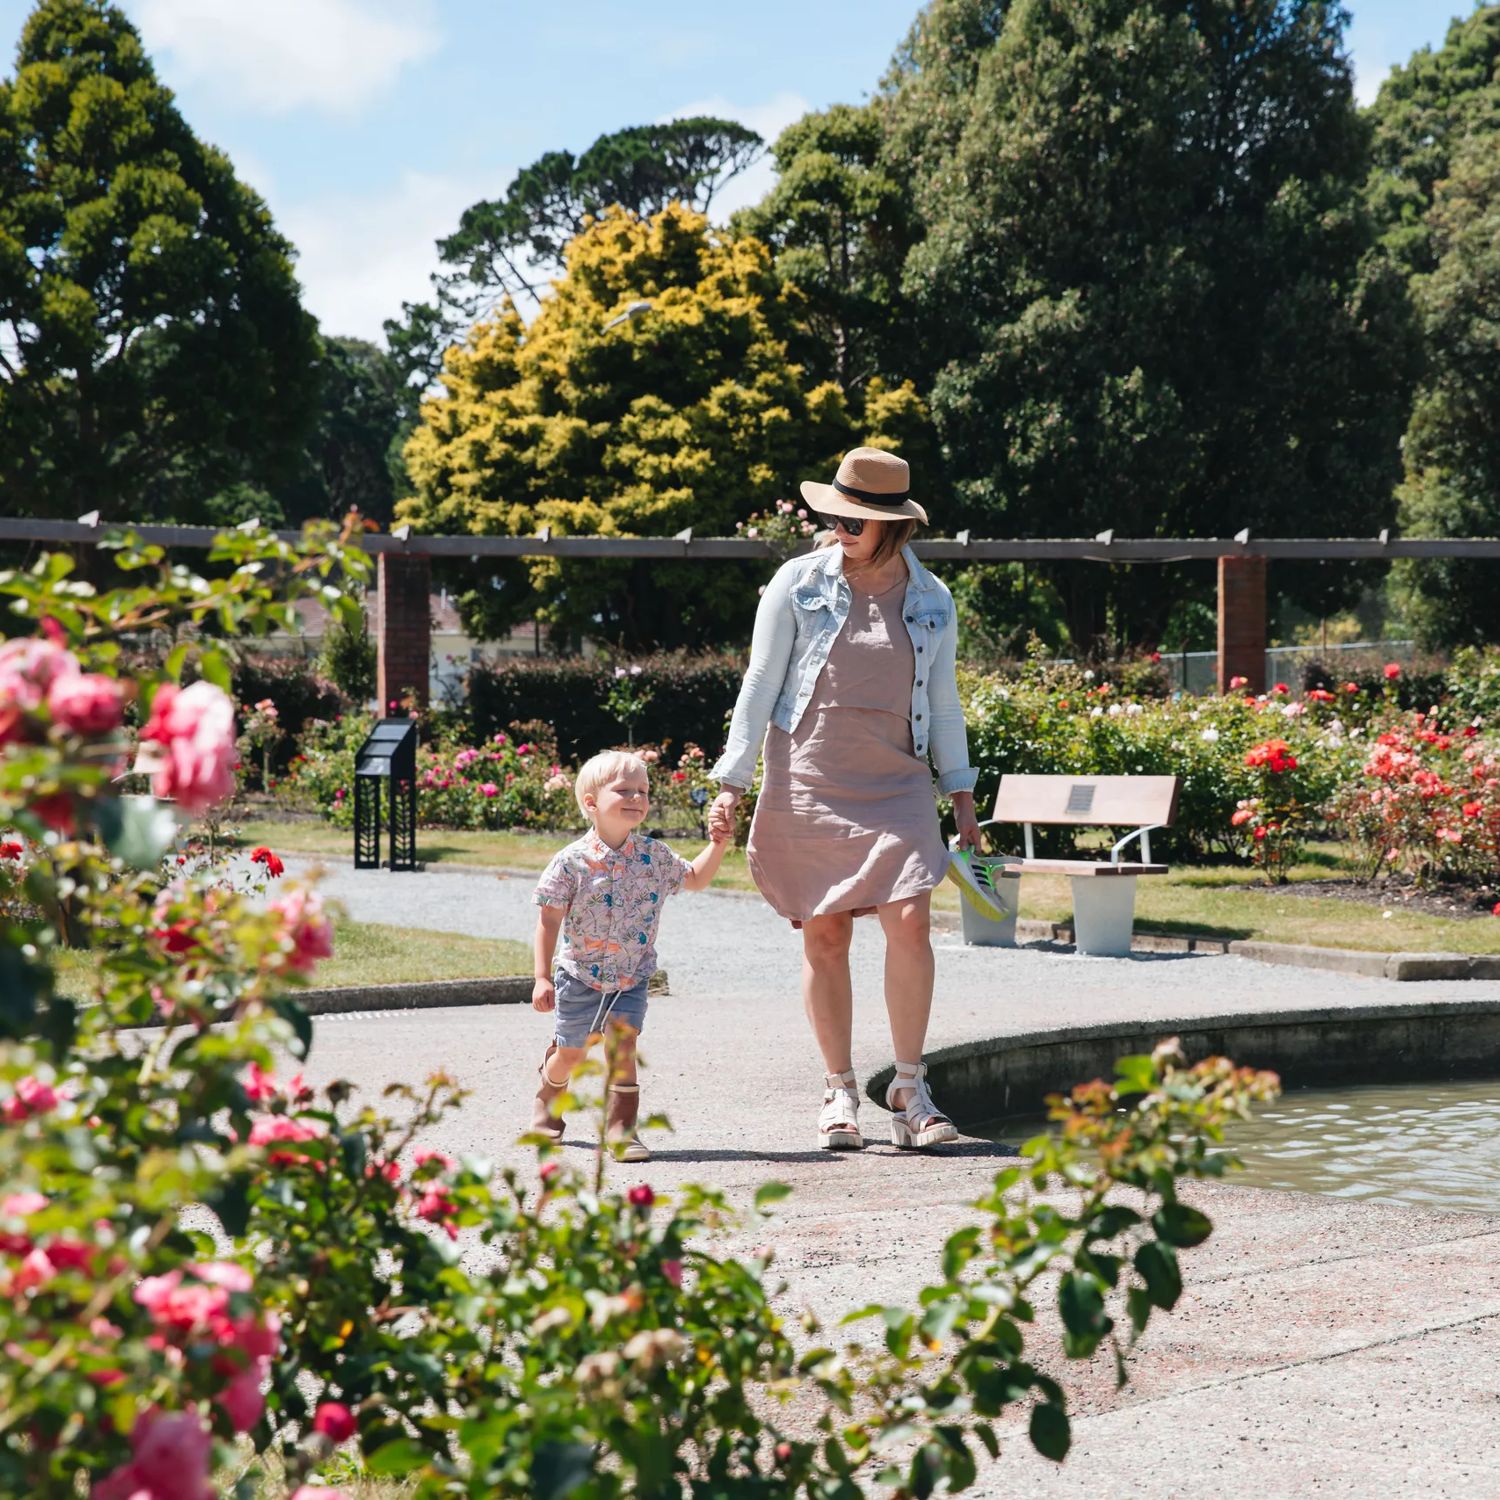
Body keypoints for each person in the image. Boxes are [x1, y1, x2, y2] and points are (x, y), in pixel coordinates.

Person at [708, 447, 981, 1152]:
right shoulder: (797, 583)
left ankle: (910, 1089)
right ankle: (838, 1090)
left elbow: (944, 704)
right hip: (809, 773)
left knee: (911, 920)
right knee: (826, 935)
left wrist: (961, 793)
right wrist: (732, 780)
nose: (839, 529)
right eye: (835, 515)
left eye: (855, 522)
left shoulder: (931, 599)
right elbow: (761, 679)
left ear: (894, 526)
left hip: (896, 780)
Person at [531, 749, 731, 1161]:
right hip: (579, 977)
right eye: (623, 790)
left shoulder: (653, 857)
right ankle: (549, 1093)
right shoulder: (570, 862)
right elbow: (548, 921)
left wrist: (717, 843)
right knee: (572, 1054)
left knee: (623, 1048)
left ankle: (622, 1129)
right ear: (591, 803)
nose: (636, 797)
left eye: (643, 790)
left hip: (631, 977)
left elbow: (693, 879)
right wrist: (542, 977)